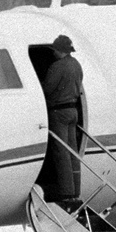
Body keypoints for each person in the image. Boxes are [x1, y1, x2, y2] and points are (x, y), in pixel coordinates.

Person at [42, 34, 84, 207]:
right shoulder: (76, 65)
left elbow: (48, 88)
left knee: (61, 153)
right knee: (73, 151)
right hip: (73, 110)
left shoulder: (57, 67)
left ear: (59, 50)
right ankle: (75, 190)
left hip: (59, 111)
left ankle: (66, 192)